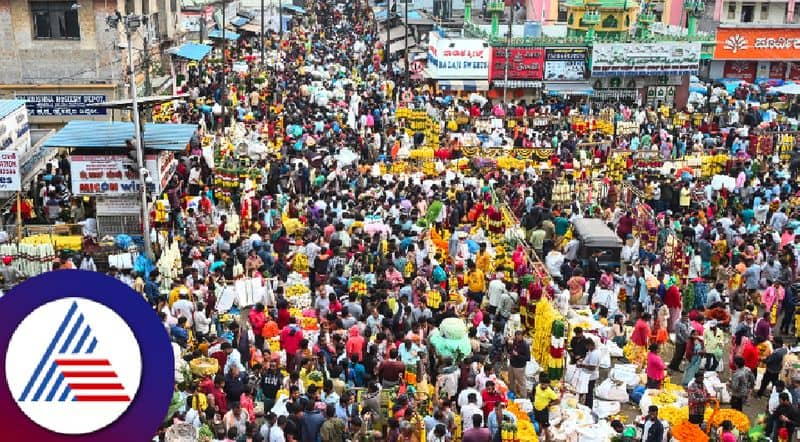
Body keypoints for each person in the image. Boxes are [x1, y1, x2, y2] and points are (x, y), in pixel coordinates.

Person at [533, 373, 559, 442]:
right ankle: (539, 433)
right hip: (536, 408)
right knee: (539, 422)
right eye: (542, 384)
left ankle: (548, 439)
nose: (544, 386)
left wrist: (550, 404)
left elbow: (558, 401)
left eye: (546, 385)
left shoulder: (550, 392)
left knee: (546, 426)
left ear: (548, 385)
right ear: (540, 383)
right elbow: (535, 394)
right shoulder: (537, 386)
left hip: (543, 410)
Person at [577, 338, 600, 408]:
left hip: (590, 376)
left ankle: (589, 407)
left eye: (587, 346)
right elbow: (588, 359)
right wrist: (583, 360)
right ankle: (585, 405)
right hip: (587, 375)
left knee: (589, 393)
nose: (586, 348)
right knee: (586, 391)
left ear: (591, 345)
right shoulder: (591, 351)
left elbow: (592, 367)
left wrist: (581, 365)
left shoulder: (595, 354)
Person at [508, 330, 530, 398]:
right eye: (516, 337)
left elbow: (527, 358)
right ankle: (512, 394)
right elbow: (511, 349)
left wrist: (517, 355)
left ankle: (524, 397)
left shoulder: (525, 345)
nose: (518, 338)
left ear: (522, 336)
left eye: (519, 336)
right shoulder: (514, 341)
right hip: (512, 364)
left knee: (521, 383)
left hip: (519, 367)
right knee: (511, 380)